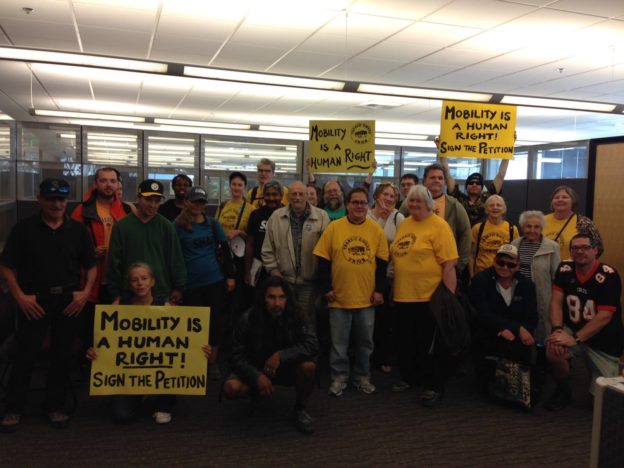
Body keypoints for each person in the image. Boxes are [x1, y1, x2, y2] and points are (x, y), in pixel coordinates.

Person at [0, 178, 97, 432]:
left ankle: (54, 406)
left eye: (61, 199)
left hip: (68, 300)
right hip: (35, 300)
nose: (57, 203)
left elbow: (91, 266)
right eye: (51, 198)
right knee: (26, 355)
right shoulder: (24, 229)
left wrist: (84, 292)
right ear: (40, 200)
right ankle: (13, 408)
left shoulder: (77, 230)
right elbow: (7, 267)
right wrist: (19, 296)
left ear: (67, 201)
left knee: (62, 355)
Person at [86, 262, 212, 424]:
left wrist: (199, 351)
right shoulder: (118, 309)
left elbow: (182, 346)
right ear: (129, 284)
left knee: (170, 361)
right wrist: (95, 352)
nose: (140, 283)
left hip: (161, 373)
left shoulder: (167, 309)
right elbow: (106, 343)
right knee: (121, 415)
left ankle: (164, 402)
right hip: (129, 375)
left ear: (152, 281)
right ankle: (142, 394)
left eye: (144, 278)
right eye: (134, 280)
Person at [313, 187, 388, 396]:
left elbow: (382, 264)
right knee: (339, 344)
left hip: (366, 300)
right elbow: (322, 261)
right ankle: (339, 378)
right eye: (355, 202)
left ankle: (362, 377)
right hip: (338, 298)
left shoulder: (376, 231)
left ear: (368, 205)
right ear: (347, 205)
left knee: (365, 343)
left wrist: (380, 291)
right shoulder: (334, 228)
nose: (359, 206)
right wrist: (326, 288)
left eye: (363, 203)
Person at [223, 277, 318, 434]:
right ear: (263, 298)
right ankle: (257, 392)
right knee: (231, 388)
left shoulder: (297, 315)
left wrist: (281, 356)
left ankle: (300, 409)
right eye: (271, 297)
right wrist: (256, 376)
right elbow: (236, 356)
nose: (277, 303)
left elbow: (312, 344)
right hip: (255, 366)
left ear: (288, 299)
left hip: (285, 367)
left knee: (309, 367)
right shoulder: (248, 318)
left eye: (282, 297)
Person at [390, 185, 458, 406]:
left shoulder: (440, 226)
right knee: (406, 341)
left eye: (419, 201)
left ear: (429, 204)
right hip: (402, 295)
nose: (415, 204)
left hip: (429, 297)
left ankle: (433, 385)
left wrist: (448, 299)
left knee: (429, 344)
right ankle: (411, 378)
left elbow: (450, 264)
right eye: (411, 200)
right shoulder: (405, 224)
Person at [545, 234, 624, 411]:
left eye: (585, 247)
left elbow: (604, 316)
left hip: (603, 340)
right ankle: (563, 390)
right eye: (575, 248)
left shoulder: (608, 275)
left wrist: (576, 339)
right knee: (553, 350)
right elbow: (556, 302)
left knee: (602, 403)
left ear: (595, 250)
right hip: (572, 329)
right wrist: (558, 330)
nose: (579, 251)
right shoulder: (565, 268)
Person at [174, 186, 235, 378]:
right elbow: (173, 254)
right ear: (187, 203)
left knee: (215, 321)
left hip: (214, 280)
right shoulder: (177, 225)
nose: (199, 206)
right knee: (194, 324)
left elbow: (225, 250)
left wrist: (230, 275)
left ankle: (212, 362)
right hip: (191, 282)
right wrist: (177, 283)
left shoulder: (212, 223)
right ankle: (194, 360)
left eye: (202, 202)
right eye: (195, 202)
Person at [71, 167, 131, 344]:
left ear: (118, 184)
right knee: (90, 330)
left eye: (112, 181)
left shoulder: (127, 210)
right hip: (90, 281)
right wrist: (90, 253)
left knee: (116, 329)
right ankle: (88, 367)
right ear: (95, 184)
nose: (108, 185)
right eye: (103, 180)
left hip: (117, 279)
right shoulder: (82, 211)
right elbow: (70, 246)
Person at [469, 244, 538, 393]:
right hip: (488, 330)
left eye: (511, 264)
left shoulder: (527, 285)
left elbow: (532, 316)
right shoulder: (480, 280)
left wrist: (521, 330)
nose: (505, 267)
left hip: (517, 335)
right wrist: (505, 329)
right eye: (501, 263)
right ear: (494, 261)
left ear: (518, 266)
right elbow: (482, 313)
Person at [107, 179, 186, 304]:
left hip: (161, 293)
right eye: (148, 200)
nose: (153, 205)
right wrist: (115, 294)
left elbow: (175, 258)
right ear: (138, 198)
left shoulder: (166, 226)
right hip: (129, 294)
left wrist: (179, 288)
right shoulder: (122, 226)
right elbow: (114, 261)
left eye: (157, 201)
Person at [262, 181, 330, 327]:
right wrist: (273, 270)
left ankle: (306, 350)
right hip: (284, 282)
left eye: (301, 194)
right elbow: (267, 249)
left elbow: (328, 251)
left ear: (307, 196)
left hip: (311, 283)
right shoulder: (276, 217)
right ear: (288, 196)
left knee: (307, 322)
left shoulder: (322, 217)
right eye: (294, 194)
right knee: (283, 320)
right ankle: (283, 349)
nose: (297, 197)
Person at [401, 163, 471, 275]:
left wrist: (459, 266)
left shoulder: (454, 205)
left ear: (444, 182)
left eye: (440, 178)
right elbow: (399, 228)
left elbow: (466, 234)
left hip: (444, 268)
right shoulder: (409, 203)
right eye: (432, 177)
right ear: (424, 181)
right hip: (414, 267)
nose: (436, 180)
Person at [367, 182, 405, 373]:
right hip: (365, 274)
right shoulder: (365, 215)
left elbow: (403, 247)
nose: (389, 199)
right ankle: (364, 355)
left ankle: (382, 356)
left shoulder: (398, 218)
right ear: (377, 196)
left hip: (388, 275)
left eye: (393, 196)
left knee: (384, 320)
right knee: (365, 318)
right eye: (386, 195)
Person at [437, 133, 513, 226]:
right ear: (466, 186)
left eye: (477, 183)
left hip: (483, 236)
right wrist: (441, 150)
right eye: (471, 183)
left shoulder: (489, 198)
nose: (474, 185)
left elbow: (501, 175)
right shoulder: (458, 198)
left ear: (482, 187)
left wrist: (509, 147)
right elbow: (447, 174)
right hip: (462, 237)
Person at [511, 211, 560, 345]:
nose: (532, 230)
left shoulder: (552, 247)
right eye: (528, 226)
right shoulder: (514, 244)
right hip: (518, 295)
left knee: (542, 330)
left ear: (542, 228)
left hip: (542, 296)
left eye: (536, 227)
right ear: (522, 227)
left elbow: (557, 278)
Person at [216, 172, 256, 310]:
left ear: (245, 187)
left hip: (240, 257)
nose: (236, 188)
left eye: (240, 185)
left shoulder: (251, 209)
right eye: (234, 184)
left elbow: (253, 236)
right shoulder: (222, 206)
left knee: (238, 295)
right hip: (223, 254)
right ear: (229, 186)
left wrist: (239, 232)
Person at [543, 185, 603, 260]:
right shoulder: (541, 220)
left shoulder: (583, 223)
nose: (560, 200)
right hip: (543, 269)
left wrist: (580, 260)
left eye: (565, 197)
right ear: (552, 202)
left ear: (573, 201)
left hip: (572, 268)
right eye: (556, 197)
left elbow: (598, 248)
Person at [244, 181, 284, 288]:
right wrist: (247, 272)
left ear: (281, 195)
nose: (271, 198)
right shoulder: (256, 214)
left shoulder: (288, 214)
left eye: (275, 194)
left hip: (282, 268)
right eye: (268, 194)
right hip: (259, 268)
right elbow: (249, 244)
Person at [469, 195, 519, 278]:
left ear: (503, 209)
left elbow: (516, 257)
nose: (495, 208)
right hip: (481, 275)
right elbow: (471, 255)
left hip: (503, 276)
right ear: (486, 209)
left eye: (499, 205)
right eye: (491, 205)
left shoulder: (512, 230)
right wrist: (471, 276)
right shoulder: (477, 228)